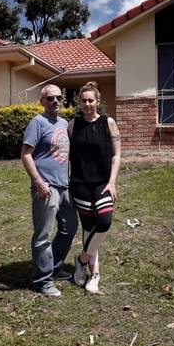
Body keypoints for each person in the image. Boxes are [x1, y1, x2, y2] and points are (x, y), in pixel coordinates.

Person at [21, 84, 78, 297]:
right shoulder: (38, 122)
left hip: (65, 185)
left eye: (58, 98)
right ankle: (42, 280)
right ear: (42, 102)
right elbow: (26, 154)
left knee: (70, 227)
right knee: (43, 234)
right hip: (46, 187)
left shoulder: (64, 123)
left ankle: (53, 268)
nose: (55, 101)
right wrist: (38, 182)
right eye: (50, 98)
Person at [69, 81, 121, 294]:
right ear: (80, 103)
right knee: (89, 228)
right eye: (84, 100)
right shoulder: (73, 124)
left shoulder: (108, 123)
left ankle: (81, 260)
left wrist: (112, 182)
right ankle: (95, 275)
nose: (88, 104)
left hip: (102, 183)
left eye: (91, 100)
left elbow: (117, 155)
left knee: (104, 222)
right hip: (80, 184)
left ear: (98, 102)